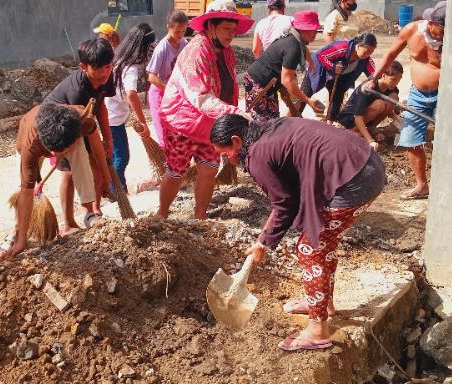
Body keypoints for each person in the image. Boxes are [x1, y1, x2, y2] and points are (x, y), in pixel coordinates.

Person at [210, 114, 386, 351]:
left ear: (237, 141)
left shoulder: (257, 156)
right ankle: (324, 303)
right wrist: (263, 241)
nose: (228, 160)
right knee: (325, 242)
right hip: (365, 162)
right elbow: (287, 197)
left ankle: (317, 329)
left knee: (310, 249)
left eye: (225, 153)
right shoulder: (272, 127)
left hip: (355, 180)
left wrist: (266, 242)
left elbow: (285, 204)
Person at [156, 6, 253, 220]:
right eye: (227, 28)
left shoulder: (226, 51)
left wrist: (233, 115)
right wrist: (236, 113)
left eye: (233, 29)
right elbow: (201, 98)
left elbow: (229, 88)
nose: (231, 34)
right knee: (176, 171)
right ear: (211, 26)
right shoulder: (195, 52)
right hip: (182, 123)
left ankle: (199, 217)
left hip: (211, 124)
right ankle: (161, 216)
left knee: (209, 170)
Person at [369, 1, 445, 200]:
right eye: (439, 28)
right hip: (418, 95)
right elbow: (391, 53)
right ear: (432, 23)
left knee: (449, 141)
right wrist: (374, 78)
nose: (442, 33)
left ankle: (450, 184)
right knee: (410, 138)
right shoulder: (412, 30)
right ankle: (422, 186)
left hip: (446, 95)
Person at [0, 104, 92, 260]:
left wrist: (106, 165)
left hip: (67, 131)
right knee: (22, 186)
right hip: (32, 136)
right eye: (53, 152)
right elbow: (26, 192)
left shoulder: (82, 119)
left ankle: (90, 213)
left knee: (81, 155)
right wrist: (22, 241)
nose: (55, 155)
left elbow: (95, 140)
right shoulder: (30, 146)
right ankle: (18, 230)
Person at [44, 38, 116, 232]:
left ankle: (95, 212)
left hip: (85, 122)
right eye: (98, 68)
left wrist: (108, 139)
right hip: (61, 126)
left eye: (108, 66)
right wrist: (99, 153)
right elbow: (86, 132)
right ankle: (68, 224)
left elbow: (100, 107)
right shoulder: (76, 91)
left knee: (98, 170)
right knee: (70, 173)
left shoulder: (107, 77)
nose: (104, 73)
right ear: (83, 67)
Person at [245, 10, 325, 122]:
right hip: (259, 82)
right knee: (263, 124)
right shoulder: (293, 47)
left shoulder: (294, 38)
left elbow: (304, 48)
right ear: (304, 30)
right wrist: (307, 100)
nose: (316, 33)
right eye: (314, 30)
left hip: (271, 82)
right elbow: (287, 81)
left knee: (273, 118)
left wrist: (311, 62)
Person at [106, 23, 156, 191]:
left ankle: (117, 187)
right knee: (122, 156)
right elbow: (131, 94)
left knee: (113, 155)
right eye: (149, 46)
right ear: (142, 47)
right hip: (114, 118)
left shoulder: (118, 56)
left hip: (108, 112)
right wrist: (143, 123)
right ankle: (116, 191)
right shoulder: (131, 67)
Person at [301, 32, 377, 123]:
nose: (368, 55)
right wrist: (333, 67)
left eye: (370, 52)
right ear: (358, 46)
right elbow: (321, 56)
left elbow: (375, 73)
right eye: (366, 51)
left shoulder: (366, 59)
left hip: (339, 75)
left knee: (338, 94)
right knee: (304, 94)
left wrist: (373, 80)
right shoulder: (342, 47)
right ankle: (293, 116)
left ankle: (330, 122)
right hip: (318, 67)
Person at [337, 61, 404, 150]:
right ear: (383, 76)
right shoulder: (368, 88)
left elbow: (389, 111)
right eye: (394, 79)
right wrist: (370, 141)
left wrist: (402, 121)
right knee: (379, 104)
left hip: (367, 117)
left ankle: (371, 128)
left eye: (399, 80)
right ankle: (354, 130)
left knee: (393, 98)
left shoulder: (392, 89)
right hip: (350, 118)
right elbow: (358, 117)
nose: (396, 83)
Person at [146, 11, 189, 146]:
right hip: (160, 93)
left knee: (178, 133)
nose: (180, 35)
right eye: (177, 31)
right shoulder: (162, 49)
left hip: (176, 93)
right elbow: (151, 77)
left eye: (183, 31)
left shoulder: (184, 43)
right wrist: (168, 89)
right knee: (164, 137)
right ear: (168, 27)